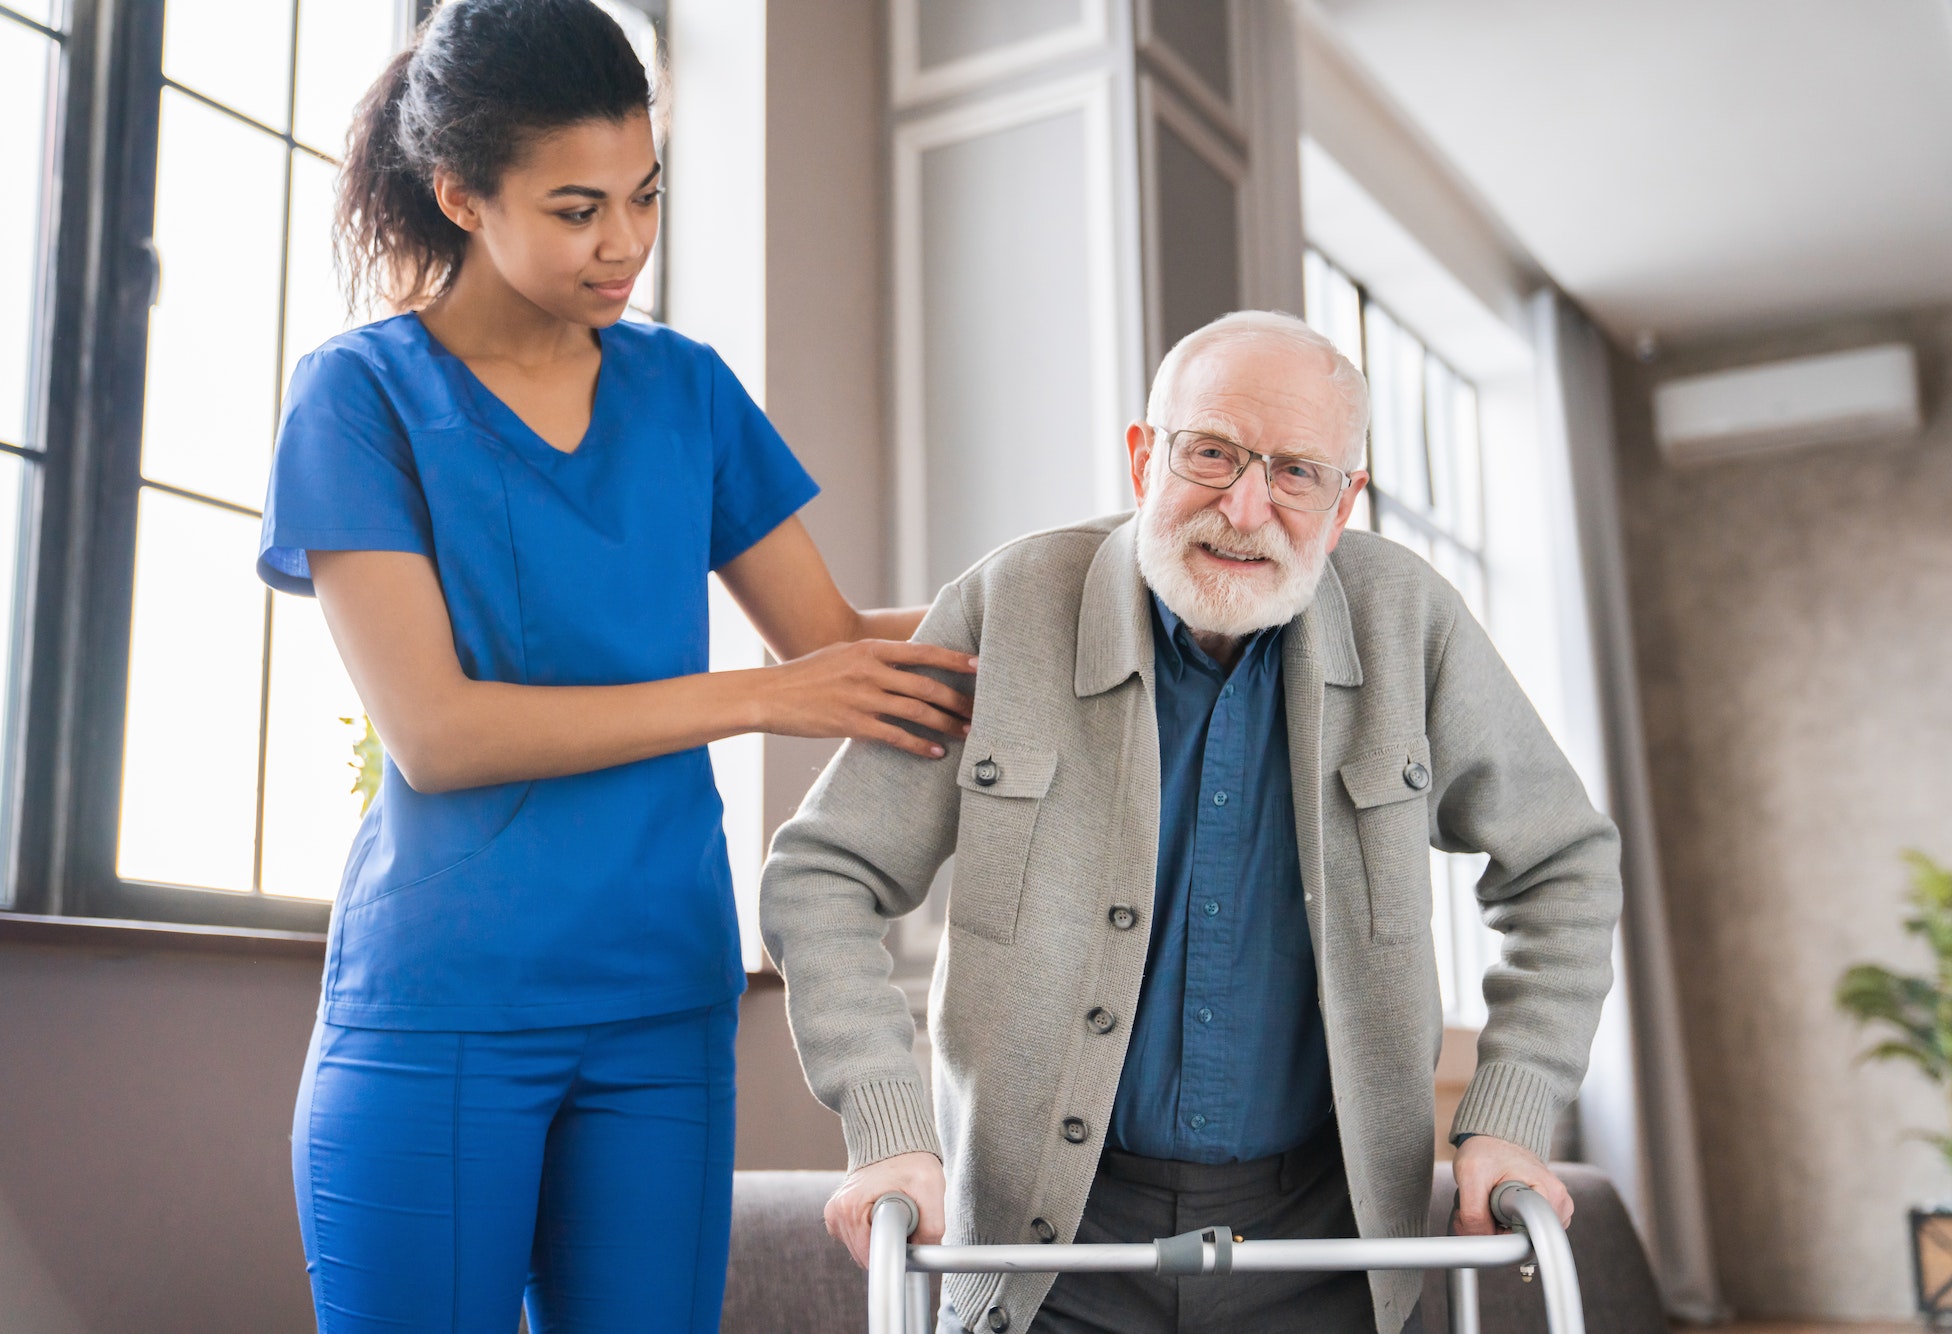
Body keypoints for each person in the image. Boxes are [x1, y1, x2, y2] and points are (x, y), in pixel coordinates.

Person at [260, 3, 975, 1330]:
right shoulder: (358, 397)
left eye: (645, 195)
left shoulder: (686, 391)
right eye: (579, 208)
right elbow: (436, 731)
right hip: (444, 1005)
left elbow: (834, 646)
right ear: (462, 195)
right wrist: (760, 699)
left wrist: (1088, 607)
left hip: (662, 999)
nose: (628, 243)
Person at [760, 311, 1623, 1334]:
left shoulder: (1409, 620)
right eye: (1209, 453)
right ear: (1142, 458)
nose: (1244, 506)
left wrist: (1511, 1109)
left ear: (1342, 501)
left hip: (1328, 1247)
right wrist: (886, 1123)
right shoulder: (1009, 601)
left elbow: (1563, 861)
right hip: (1043, 1253)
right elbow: (822, 871)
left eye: (1297, 472)